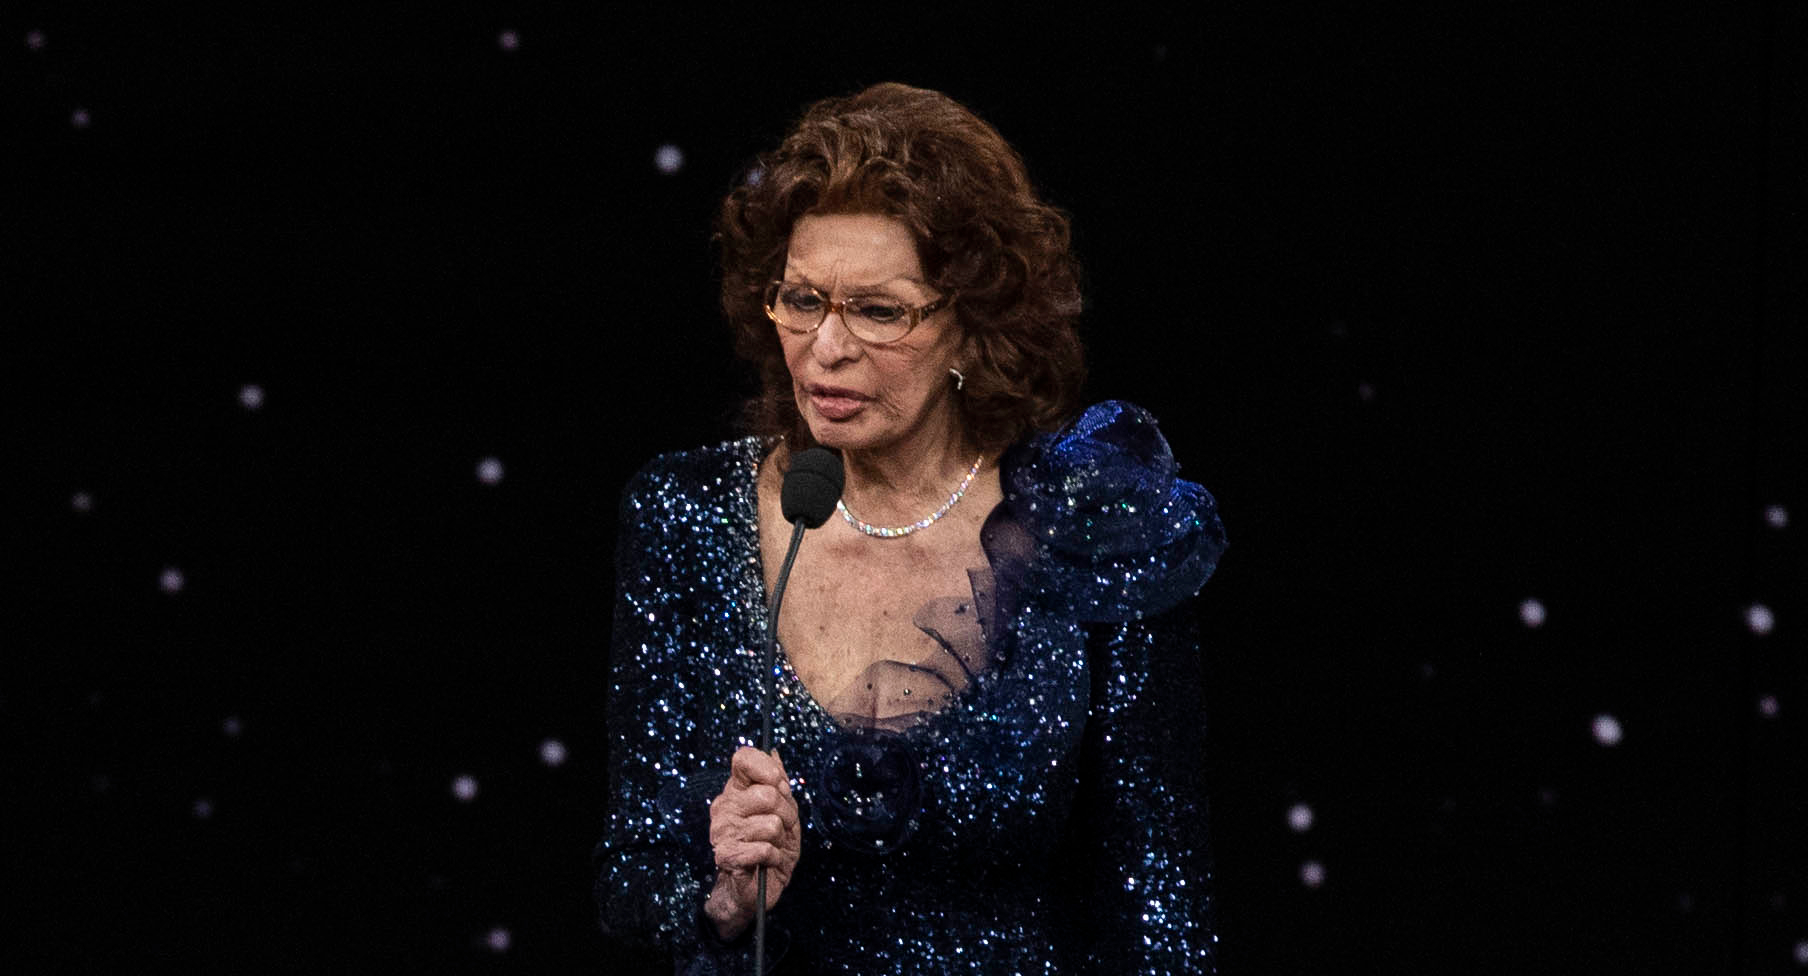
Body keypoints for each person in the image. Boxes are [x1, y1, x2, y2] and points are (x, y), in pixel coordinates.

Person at [593, 82, 1227, 975]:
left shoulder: (1089, 524)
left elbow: (1160, 913)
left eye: (879, 311)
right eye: (801, 299)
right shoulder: (687, 513)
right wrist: (724, 900)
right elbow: (633, 872)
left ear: (972, 324)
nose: (826, 348)